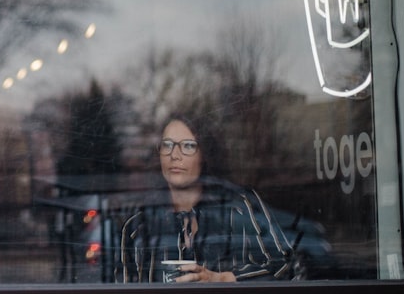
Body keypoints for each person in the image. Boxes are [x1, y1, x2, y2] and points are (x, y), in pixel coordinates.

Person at [117, 114, 297, 283]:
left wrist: (222, 279)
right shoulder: (138, 222)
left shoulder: (237, 207)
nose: (175, 155)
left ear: (205, 154)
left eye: (188, 145)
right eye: (167, 145)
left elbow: (284, 267)